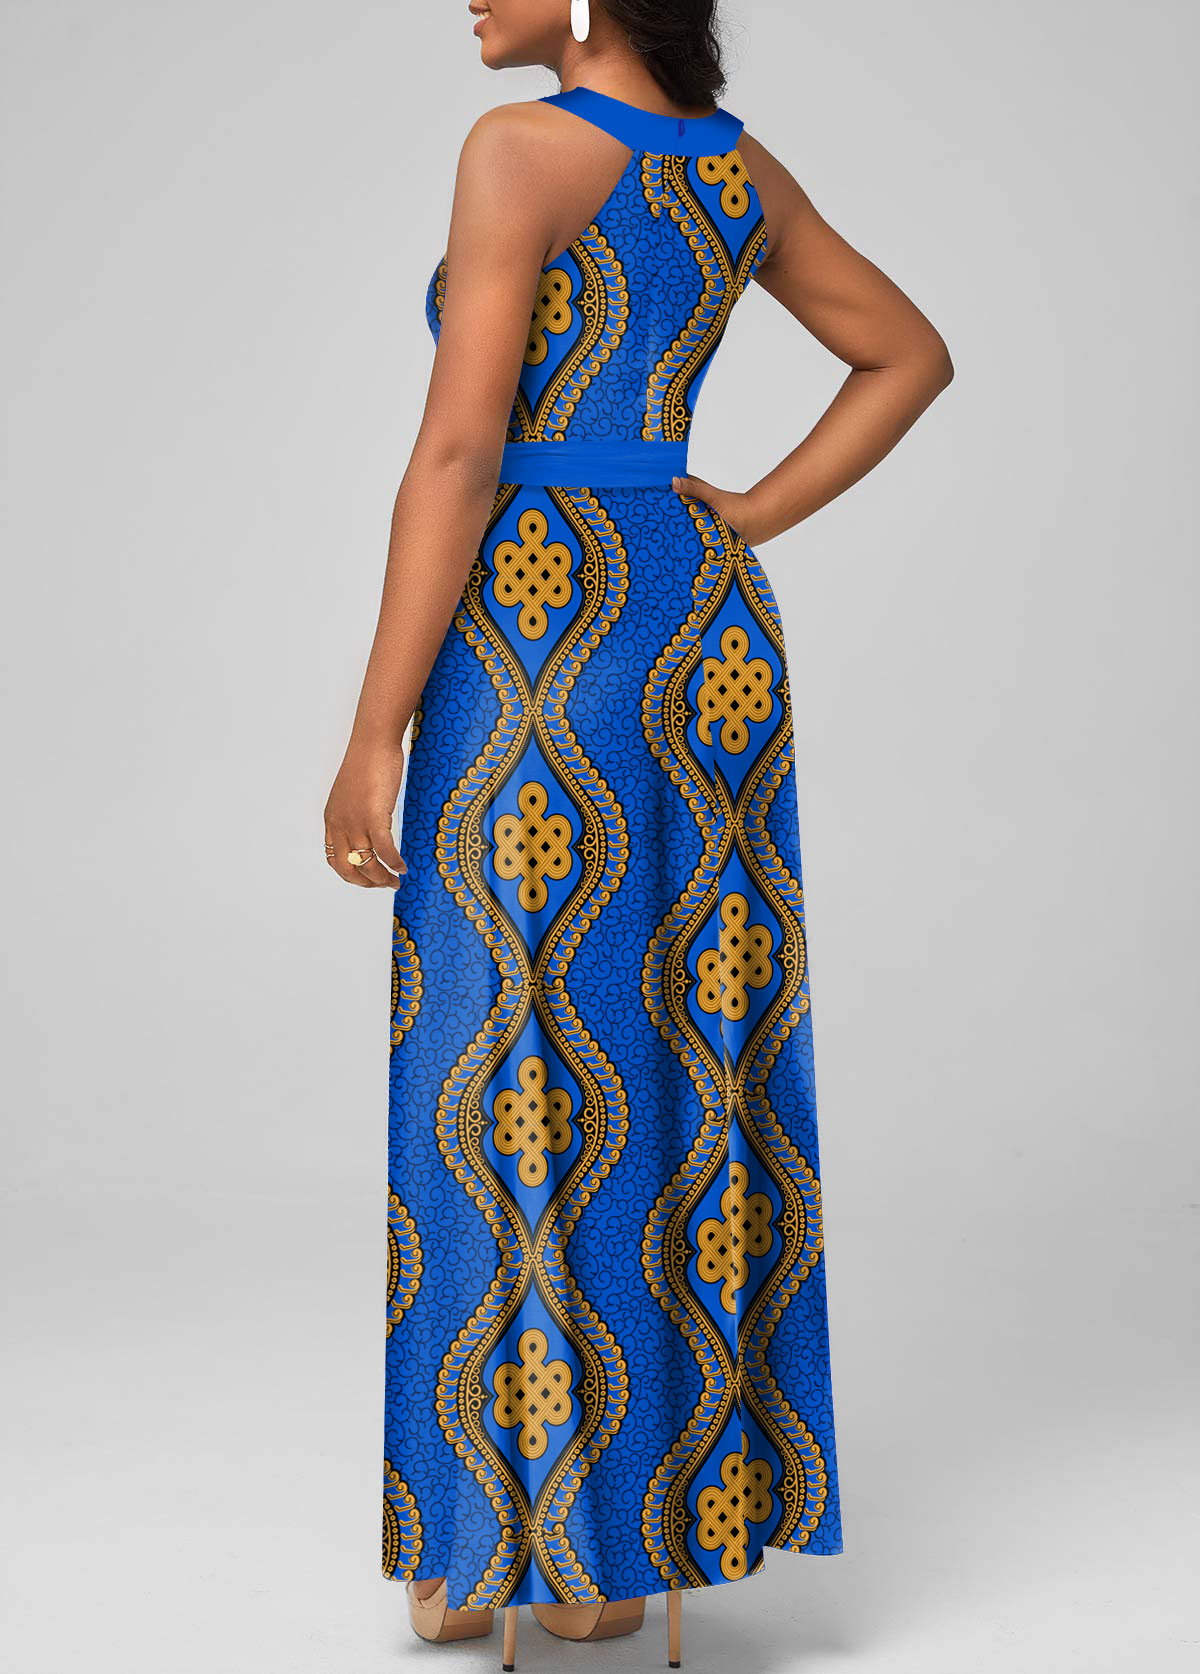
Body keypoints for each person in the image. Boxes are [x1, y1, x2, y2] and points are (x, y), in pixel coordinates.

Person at [324, 2, 952, 1667]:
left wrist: (376, 725)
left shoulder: (520, 152)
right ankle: (623, 1545)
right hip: (696, 640)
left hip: (545, 634)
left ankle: (503, 1537)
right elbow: (909, 353)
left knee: (502, 1054)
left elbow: (462, 449)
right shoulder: (732, 171)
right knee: (667, 1063)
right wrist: (738, 515)